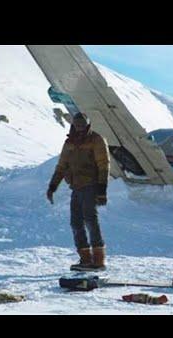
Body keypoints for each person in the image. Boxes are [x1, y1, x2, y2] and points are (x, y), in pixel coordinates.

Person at [46, 112, 110, 271]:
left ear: (87, 125)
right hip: (76, 187)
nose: (80, 128)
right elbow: (61, 166)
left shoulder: (96, 140)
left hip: (91, 185)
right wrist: (52, 186)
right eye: (77, 125)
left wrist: (102, 190)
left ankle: (99, 260)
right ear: (73, 125)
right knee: (76, 223)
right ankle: (85, 259)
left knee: (90, 220)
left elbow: (104, 165)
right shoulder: (69, 142)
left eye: (83, 125)